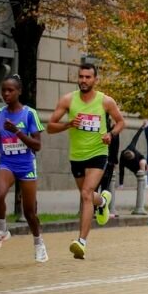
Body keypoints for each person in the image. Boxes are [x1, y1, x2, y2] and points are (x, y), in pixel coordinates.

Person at [47, 63, 124, 259]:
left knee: (86, 193)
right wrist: (68, 124)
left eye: (88, 77)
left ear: (95, 80)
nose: (83, 80)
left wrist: (111, 134)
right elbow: (50, 127)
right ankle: (103, 201)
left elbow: (120, 121)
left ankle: (81, 242)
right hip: (77, 156)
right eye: (81, 76)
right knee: (89, 196)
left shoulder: (105, 101)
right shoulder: (68, 100)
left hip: (98, 152)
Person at [0, 75, 46, 262]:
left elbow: (37, 145)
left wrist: (17, 131)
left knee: (29, 212)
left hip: (26, 164)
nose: (6, 94)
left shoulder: (29, 114)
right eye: (3, 90)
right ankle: (2, 229)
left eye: (10, 90)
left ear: (19, 91)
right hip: (7, 162)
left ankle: (38, 243)